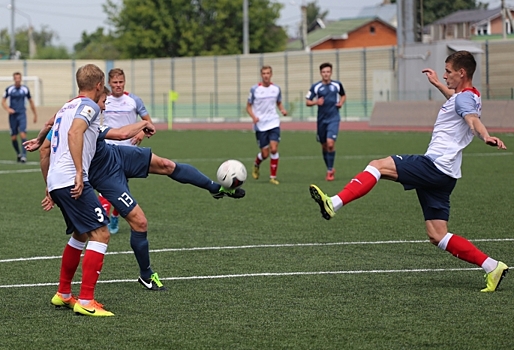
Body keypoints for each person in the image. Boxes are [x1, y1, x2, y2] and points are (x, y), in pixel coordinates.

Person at [309, 51, 508, 292]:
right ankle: (492, 266)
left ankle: (334, 203)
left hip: (434, 166)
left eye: (447, 71)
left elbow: (472, 119)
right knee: (437, 234)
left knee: (377, 165)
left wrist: (485, 135)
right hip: (447, 175)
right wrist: (437, 85)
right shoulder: (470, 96)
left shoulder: (465, 102)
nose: (444, 75)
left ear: (461, 72)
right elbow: (459, 102)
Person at [27, 89, 244, 293]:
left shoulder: (72, 111)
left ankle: (216, 188)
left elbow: (48, 126)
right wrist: (49, 185)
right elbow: (50, 147)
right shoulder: (76, 118)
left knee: (167, 165)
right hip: (105, 176)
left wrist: (38, 138)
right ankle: (146, 275)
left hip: (116, 155)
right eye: (103, 101)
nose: (103, 107)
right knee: (139, 222)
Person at [43, 64, 118, 317]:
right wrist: (78, 172)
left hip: (56, 179)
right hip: (71, 179)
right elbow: (76, 132)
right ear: (99, 86)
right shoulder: (91, 106)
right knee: (101, 234)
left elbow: (46, 140)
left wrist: (48, 185)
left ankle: (63, 294)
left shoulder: (67, 106)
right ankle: (86, 301)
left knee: (80, 233)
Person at [100, 68, 153, 234]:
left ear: (125, 82)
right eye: (115, 82)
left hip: (129, 151)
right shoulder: (104, 99)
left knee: (122, 188)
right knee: (105, 186)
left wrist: (141, 133)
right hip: (108, 149)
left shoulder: (133, 100)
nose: (118, 85)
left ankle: (115, 215)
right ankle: (104, 220)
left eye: (121, 82)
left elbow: (148, 121)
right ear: (109, 83)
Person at [247, 65, 287, 185]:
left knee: (274, 149)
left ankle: (273, 177)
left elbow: (279, 102)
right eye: (264, 73)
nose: (266, 75)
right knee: (265, 154)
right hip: (261, 125)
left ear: (271, 74)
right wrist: (254, 117)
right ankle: (256, 164)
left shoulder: (276, 89)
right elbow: (248, 106)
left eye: (268, 73)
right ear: (261, 75)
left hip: (273, 122)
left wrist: (282, 110)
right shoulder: (255, 89)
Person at [306, 62, 346, 181]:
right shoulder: (316, 87)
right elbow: (307, 101)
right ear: (320, 73)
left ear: (331, 72)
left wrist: (341, 103)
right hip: (321, 120)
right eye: (324, 72)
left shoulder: (337, 85)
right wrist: (315, 102)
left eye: (328, 72)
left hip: (333, 118)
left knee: (330, 143)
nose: (326, 74)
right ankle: (329, 167)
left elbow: (343, 95)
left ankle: (330, 170)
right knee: (324, 145)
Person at [1, 72, 38, 163]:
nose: (17, 80)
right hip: (13, 116)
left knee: (22, 134)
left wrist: (35, 114)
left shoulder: (25, 89)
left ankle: (24, 156)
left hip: (22, 114)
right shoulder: (9, 89)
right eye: (16, 78)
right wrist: (8, 109)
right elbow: (3, 101)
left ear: (21, 79)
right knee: (13, 137)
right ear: (14, 79)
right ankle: (18, 153)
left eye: (19, 78)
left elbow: (31, 101)